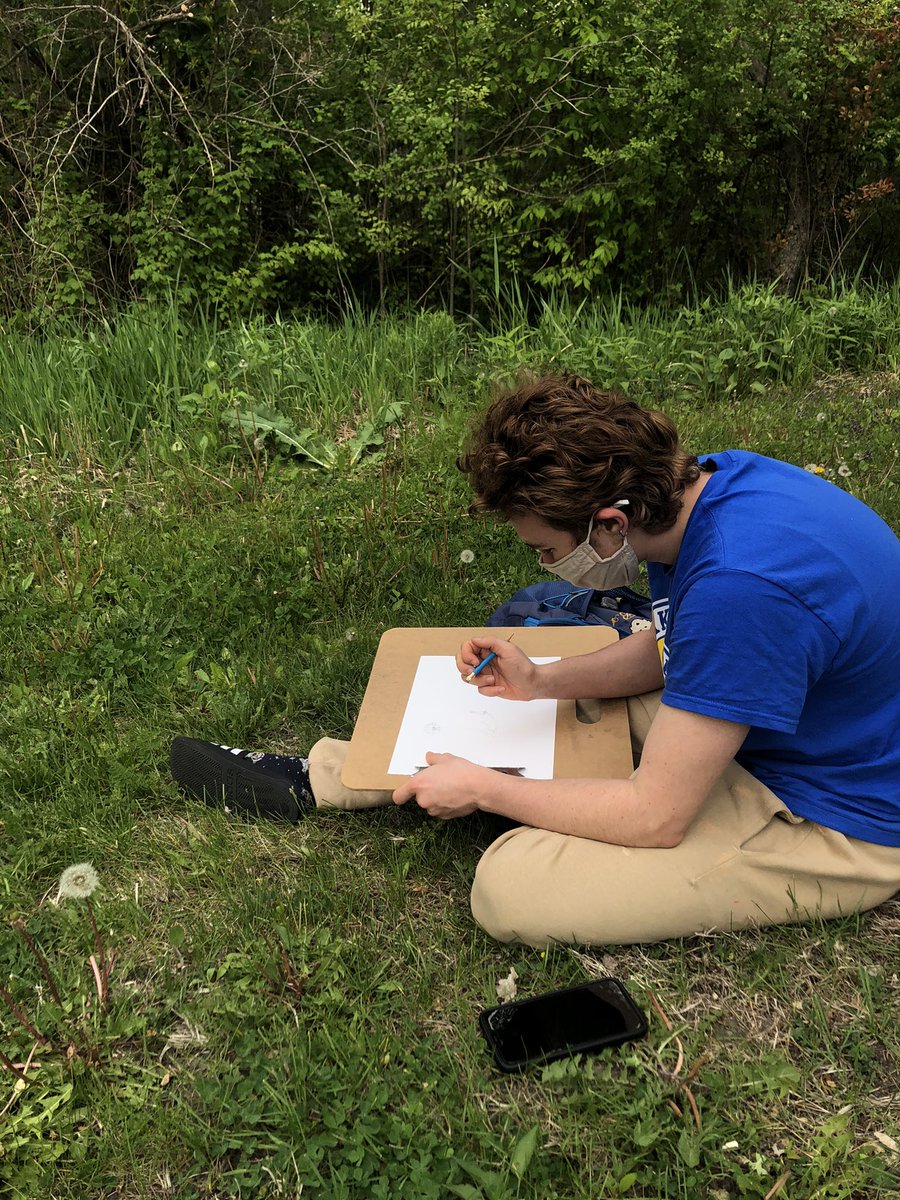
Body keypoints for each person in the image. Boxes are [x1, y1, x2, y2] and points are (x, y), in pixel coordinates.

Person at [170, 374, 900, 947]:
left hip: (839, 821)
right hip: (786, 723)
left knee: (510, 888)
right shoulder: (711, 487)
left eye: (549, 551)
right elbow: (683, 642)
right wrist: (545, 680)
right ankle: (322, 778)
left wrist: (490, 791)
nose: (552, 564)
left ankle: (509, 797)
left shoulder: (744, 584)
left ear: (609, 523)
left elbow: (656, 817)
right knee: (541, 706)